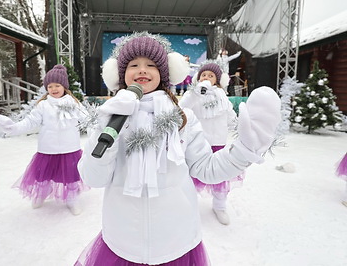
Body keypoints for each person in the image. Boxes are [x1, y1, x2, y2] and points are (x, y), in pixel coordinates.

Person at [75, 31, 281, 265]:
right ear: (121, 75)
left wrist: (245, 150)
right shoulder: (109, 117)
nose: (142, 70)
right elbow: (94, 177)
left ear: (164, 74)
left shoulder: (183, 118)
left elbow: (207, 168)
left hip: (176, 238)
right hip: (123, 240)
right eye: (134, 64)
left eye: (151, 65)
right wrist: (107, 124)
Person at [0, 64, 89, 215]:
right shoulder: (43, 106)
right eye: (50, 86)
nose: (53, 89)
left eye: (57, 85)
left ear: (64, 86)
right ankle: (41, 194)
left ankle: (72, 198)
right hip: (47, 149)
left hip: (70, 148)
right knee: (43, 176)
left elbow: (88, 119)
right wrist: (13, 128)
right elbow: (30, 122)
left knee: (71, 177)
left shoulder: (73, 104)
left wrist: (103, 123)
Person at [179, 60, 241, 225]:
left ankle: (219, 206)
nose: (206, 77)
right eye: (203, 75)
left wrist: (239, 127)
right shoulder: (194, 94)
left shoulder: (222, 97)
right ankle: (187, 206)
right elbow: (182, 107)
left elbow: (230, 116)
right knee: (191, 178)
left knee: (220, 178)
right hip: (198, 145)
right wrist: (196, 93)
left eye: (211, 75)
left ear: (218, 80)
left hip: (218, 143)